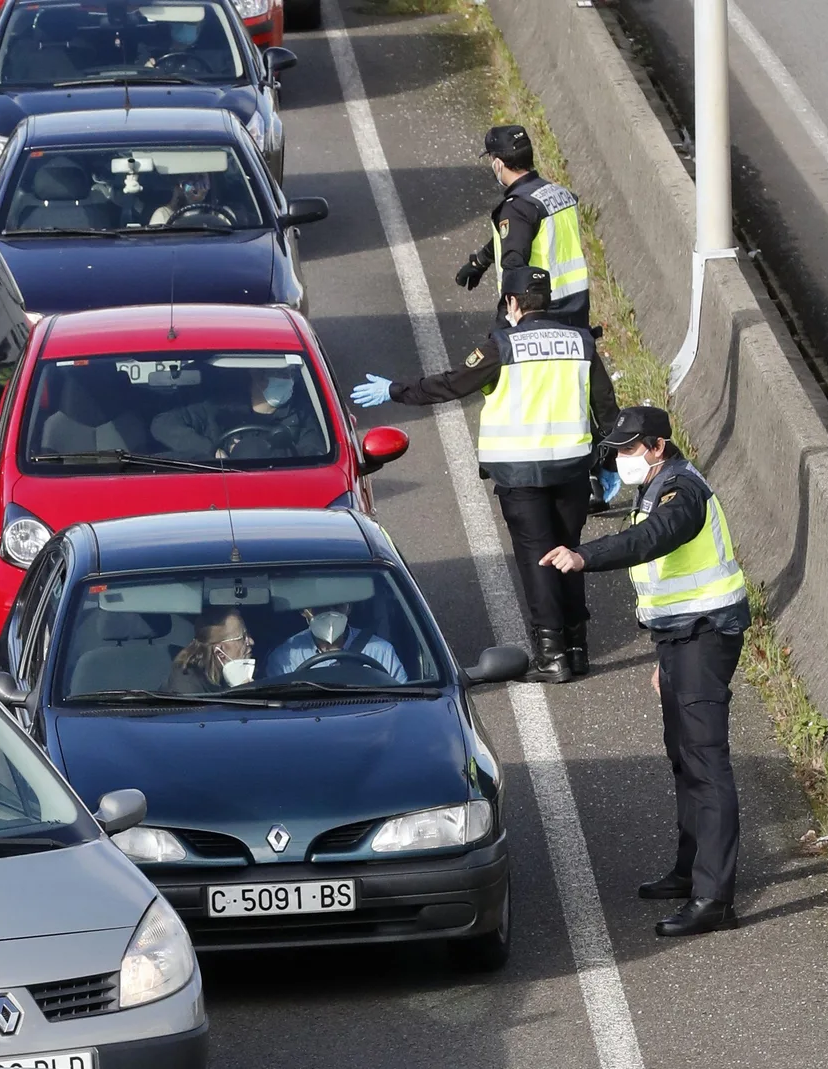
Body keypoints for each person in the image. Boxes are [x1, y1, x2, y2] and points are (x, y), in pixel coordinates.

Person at [350, 266, 618, 682]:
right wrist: (609, 462)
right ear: (545, 301)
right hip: (571, 470)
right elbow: (606, 407)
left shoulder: (502, 345)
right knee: (568, 553)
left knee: (539, 559)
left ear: (512, 303)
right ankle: (578, 648)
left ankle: (552, 656)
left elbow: (451, 385)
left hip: (520, 472)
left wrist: (396, 390)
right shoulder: (581, 342)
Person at [539, 407, 749, 938]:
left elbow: (651, 541)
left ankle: (714, 898)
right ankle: (689, 871)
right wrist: (663, 659)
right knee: (684, 757)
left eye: (630, 449)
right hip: (679, 639)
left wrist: (584, 557)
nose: (621, 458)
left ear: (658, 447)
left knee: (706, 762)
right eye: (618, 450)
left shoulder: (682, 494)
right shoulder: (654, 486)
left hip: (705, 635)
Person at [454, 125, 590, 329]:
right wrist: (481, 261)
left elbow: (514, 269)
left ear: (498, 164)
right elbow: (519, 234)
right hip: (575, 308)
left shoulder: (517, 208)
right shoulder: (559, 193)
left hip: (540, 313)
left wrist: (502, 328)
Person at [150, 367, 324, 460]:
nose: (288, 380)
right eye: (280, 374)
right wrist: (211, 452)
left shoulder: (300, 414)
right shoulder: (217, 408)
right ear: (256, 374)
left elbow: (315, 455)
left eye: (290, 374)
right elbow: (162, 425)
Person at [264, 604, 408, 682]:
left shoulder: (380, 651)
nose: (330, 613)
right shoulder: (284, 658)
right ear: (304, 611)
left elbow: (403, 699)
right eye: (320, 607)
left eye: (338, 606)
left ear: (349, 608)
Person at [166, 606, 257, 693]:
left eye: (248, 635)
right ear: (219, 652)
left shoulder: (231, 676)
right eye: (243, 637)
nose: (251, 642)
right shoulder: (187, 687)